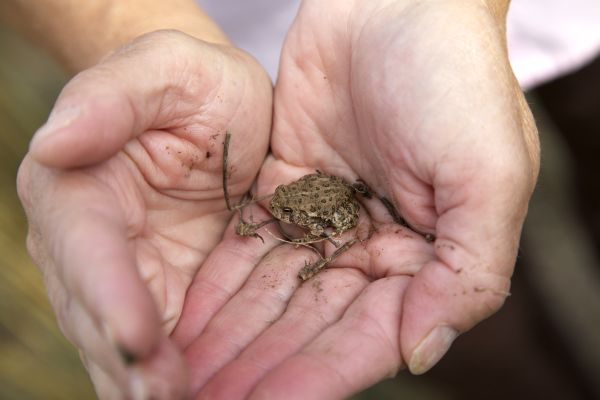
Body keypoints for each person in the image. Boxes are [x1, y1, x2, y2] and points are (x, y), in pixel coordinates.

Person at [3, 0, 540, 398]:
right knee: (469, 339)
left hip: (414, 78)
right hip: (268, 79)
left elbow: (328, 225)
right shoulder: (281, 200)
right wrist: (134, 32)